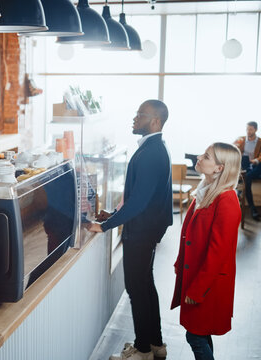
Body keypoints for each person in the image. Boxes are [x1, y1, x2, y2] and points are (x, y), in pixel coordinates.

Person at [87, 100, 173, 360]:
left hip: (143, 230)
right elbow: (138, 196)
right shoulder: (155, 148)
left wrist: (104, 225)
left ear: (155, 121)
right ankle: (156, 344)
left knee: (136, 288)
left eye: (140, 115)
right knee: (145, 286)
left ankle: (143, 350)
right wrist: (114, 215)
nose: (134, 119)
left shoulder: (151, 152)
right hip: (148, 228)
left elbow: (138, 201)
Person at [171, 142, 242, 360]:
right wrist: (179, 262)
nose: (199, 158)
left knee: (195, 336)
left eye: (207, 156)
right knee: (200, 332)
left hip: (208, 283)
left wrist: (198, 288)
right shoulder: (207, 191)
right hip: (197, 275)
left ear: (219, 168)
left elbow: (218, 252)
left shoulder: (227, 200)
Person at [233, 121, 261, 220]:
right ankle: (253, 209)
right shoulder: (241, 139)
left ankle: (241, 185)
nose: (248, 131)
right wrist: (236, 145)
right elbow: (232, 149)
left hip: (257, 165)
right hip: (246, 166)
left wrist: (255, 161)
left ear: (255, 129)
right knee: (248, 177)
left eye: (250, 129)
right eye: (247, 129)